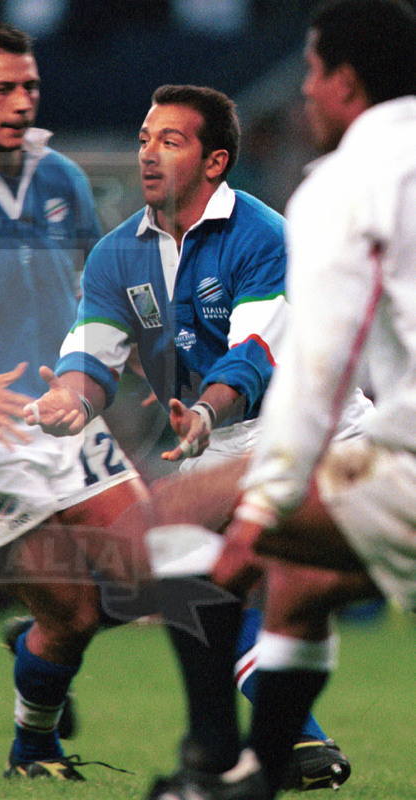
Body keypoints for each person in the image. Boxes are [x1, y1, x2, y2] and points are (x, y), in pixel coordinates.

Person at [0, 24, 321, 786]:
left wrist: (135, 361)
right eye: (1, 88)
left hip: (64, 417)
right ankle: (31, 742)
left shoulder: (61, 179)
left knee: (168, 564)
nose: (19, 101)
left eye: (29, 86)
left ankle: (292, 734)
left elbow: (102, 297)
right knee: (71, 620)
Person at [25, 83, 357, 787]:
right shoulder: (118, 255)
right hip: (215, 445)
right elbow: (91, 352)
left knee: (214, 571)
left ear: (216, 163)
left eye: (170, 140)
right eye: (145, 137)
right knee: (210, 574)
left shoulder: (264, 236)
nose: (147, 152)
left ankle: (235, 743)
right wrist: (67, 397)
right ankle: (283, 746)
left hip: (314, 429)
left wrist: (205, 409)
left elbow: (255, 353)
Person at [139, 1, 416, 798]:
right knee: (298, 585)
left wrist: (260, 506)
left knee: (178, 514)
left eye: (311, 72)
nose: (303, 93)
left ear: (347, 84)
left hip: (404, 469)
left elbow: (316, 367)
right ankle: (254, 780)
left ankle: (211, 759)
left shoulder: (342, 186)